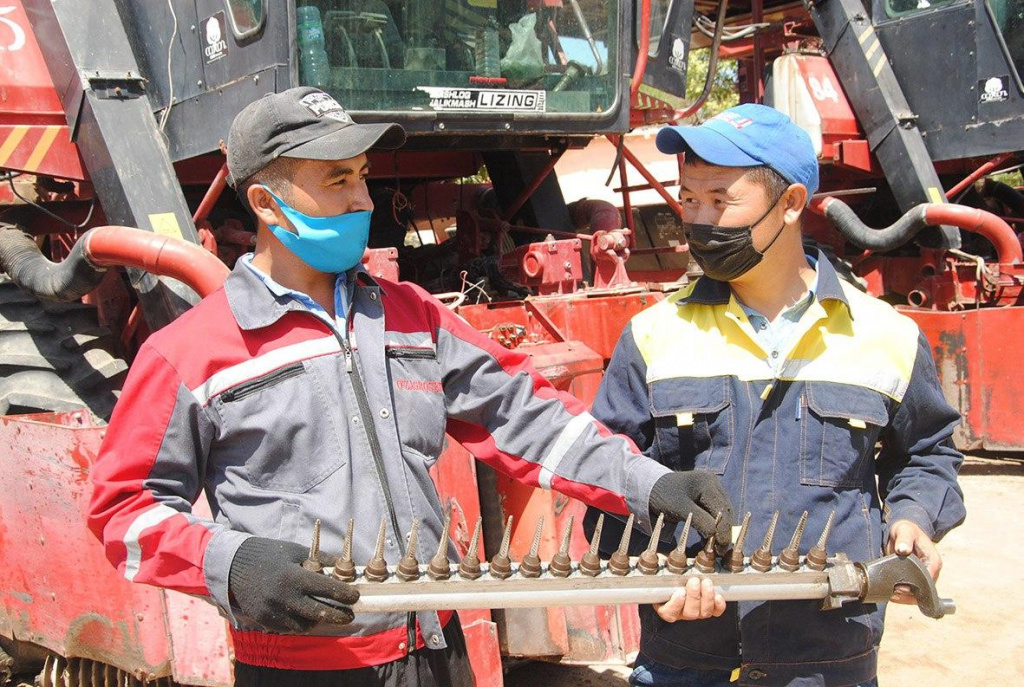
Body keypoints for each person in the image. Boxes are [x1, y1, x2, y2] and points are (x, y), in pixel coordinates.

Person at [86, 87, 732, 686]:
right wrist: (231, 563)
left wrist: (648, 484)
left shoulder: (410, 315)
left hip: (435, 642)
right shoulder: (190, 351)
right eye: (337, 179)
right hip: (308, 663)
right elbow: (123, 510)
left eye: (363, 175)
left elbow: (529, 420)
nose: (363, 201)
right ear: (264, 203)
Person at [588, 103, 966, 687]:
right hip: (685, 655)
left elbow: (927, 452)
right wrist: (648, 577)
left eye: (721, 199)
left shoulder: (885, 335)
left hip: (827, 659)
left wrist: (915, 516)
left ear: (790, 204)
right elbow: (607, 476)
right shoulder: (653, 335)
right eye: (689, 198)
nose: (700, 219)